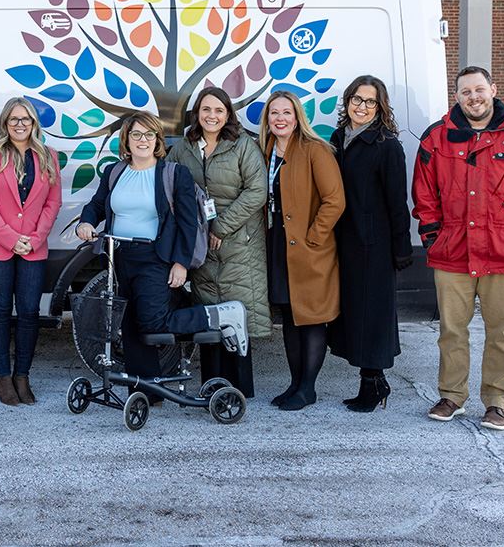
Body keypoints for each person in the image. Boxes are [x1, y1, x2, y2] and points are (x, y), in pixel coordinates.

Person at [413, 66, 504, 431]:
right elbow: (424, 195)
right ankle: (452, 396)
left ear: (493, 89)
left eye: (479, 89)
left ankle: (497, 401)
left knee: (501, 331)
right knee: (451, 330)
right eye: (465, 92)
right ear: (457, 96)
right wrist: (433, 237)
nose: (473, 97)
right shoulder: (436, 139)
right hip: (452, 252)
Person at [76, 111, 248, 381]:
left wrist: (181, 263)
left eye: (148, 134)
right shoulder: (114, 172)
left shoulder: (173, 174)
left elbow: (188, 223)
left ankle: (220, 315)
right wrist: (85, 223)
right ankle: (145, 389)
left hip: (155, 257)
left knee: (153, 321)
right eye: (136, 134)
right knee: (130, 325)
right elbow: (97, 205)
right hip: (119, 257)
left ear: (157, 139)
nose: (142, 140)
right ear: (127, 139)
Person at [167, 87, 269, 398]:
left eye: (219, 110)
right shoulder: (183, 148)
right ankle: (212, 386)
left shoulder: (241, 146)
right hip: (200, 243)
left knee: (237, 312)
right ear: (197, 113)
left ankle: (239, 390)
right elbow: (168, 184)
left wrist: (221, 227)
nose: (212, 116)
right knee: (209, 312)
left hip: (240, 242)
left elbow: (257, 190)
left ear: (228, 115)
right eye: (206, 109)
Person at [328, 76, 413, 413]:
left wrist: (401, 248)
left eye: (370, 102)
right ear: (347, 101)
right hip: (344, 241)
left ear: (380, 107)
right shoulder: (337, 139)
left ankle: (373, 383)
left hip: (375, 244)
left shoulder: (386, 145)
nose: (362, 107)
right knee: (353, 313)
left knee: (373, 315)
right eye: (356, 99)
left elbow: (397, 201)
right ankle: (371, 381)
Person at [0, 97, 62, 405]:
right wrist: (11, 238)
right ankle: (2, 377)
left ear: (34, 123)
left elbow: (53, 203)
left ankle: (22, 376)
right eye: (14, 119)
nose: (20, 124)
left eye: (25, 119)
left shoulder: (49, 156)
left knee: (28, 312)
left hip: (33, 248)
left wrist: (35, 238)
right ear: (5, 124)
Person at [260, 90, 345, 411]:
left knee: (310, 319)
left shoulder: (315, 151)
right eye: (274, 113)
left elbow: (335, 200)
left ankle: (307, 388)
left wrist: (314, 237)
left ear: (297, 118)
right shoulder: (266, 150)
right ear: (267, 119)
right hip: (278, 245)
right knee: (290, 318)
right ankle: (295, 384)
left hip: (309, 247)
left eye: (286, 113)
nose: (280, 119)